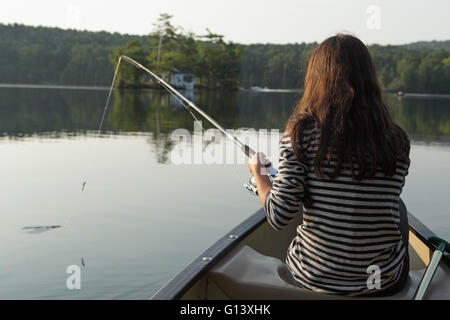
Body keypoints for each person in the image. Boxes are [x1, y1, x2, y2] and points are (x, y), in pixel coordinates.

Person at [247, 34, 411, 296]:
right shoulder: (398, 139)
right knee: (399, 209)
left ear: (317, 78)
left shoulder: (301, 133)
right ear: (370, 78)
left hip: (313, 280)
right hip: (380, 284)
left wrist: (260, 177)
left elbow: (278, 216)